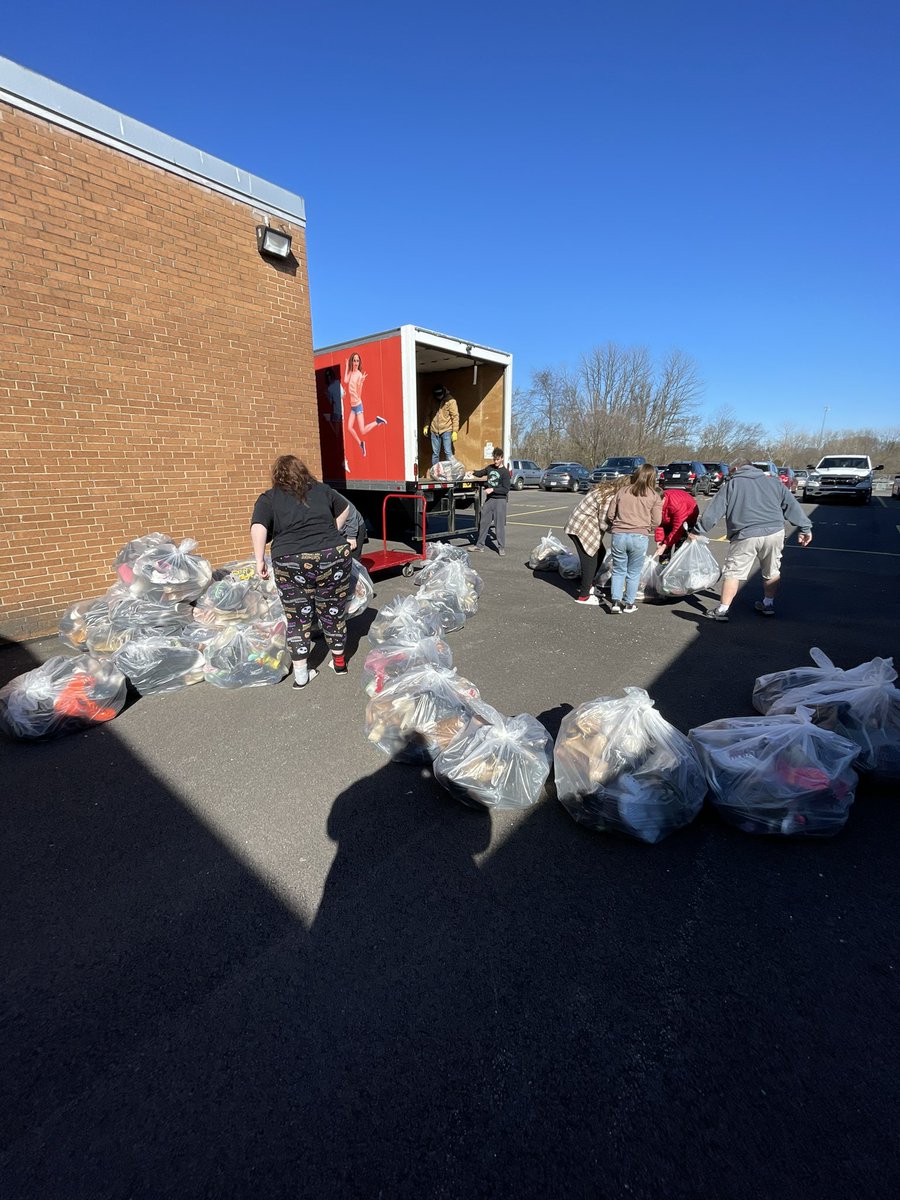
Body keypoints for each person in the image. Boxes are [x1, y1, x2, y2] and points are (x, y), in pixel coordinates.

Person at [251, 455, 353, 687]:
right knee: (333, 610)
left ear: (276, 476)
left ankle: (301, 676)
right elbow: (345, 508)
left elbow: (259, 526)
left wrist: (259, 560)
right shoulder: (322, 490)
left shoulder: (269, 498)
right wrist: (332, 531)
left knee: (297, 617)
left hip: (290, 560)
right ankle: (339, 664)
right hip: (332, 555)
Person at [688, 459, 813, 621]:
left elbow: (713, 513)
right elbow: (792, 506)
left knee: (733, 572)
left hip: (745, 534)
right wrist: (805, 528)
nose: (730, 475)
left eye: (731, 472)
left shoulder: (732, 485)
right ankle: (768, 604)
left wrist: (697, 531)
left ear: (736, 469)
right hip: (775, 532)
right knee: (772, 570)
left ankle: (722, 610)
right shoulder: (774, 483)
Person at [605, 464, 663, 614]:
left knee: (618, 570)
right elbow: (657, 520)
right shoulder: (654, 495)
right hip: (639, 536)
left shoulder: (623, 491)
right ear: (652, 477)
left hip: (619, 534)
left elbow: (610, 514)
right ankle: (629, 603)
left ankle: (616, 602)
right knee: (634, 572)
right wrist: (647, 527)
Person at [564, 479, 626, 604]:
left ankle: (589, 585)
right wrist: (620, 531)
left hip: (581, 525)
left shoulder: (606, 491)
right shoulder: (609, 496)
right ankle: (584, 596)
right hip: (582, 527)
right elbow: (604, 522)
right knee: (590, 558)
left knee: (600, 552)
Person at [469, 446, 511, 556]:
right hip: (490, 500)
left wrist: (492, 489)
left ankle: (501, 547)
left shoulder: (505, 472)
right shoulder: (490, 468)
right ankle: (479, 546)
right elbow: (481, 473)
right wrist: (472, 472)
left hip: (500, 501)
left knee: (499, 525)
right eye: (494, 459)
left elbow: (506, 489)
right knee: (483, 522)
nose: (496, 461)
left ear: (502, 458)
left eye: (498, 459)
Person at [344, 353, 387, 458]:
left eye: (357, 361)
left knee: (362, 430)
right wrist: (346, 367)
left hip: (358, 405)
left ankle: (377, 421)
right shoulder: (351, 373)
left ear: (359, 363)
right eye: (354, 360)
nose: (356, 363)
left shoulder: (359, 375)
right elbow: (345, 380)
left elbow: (359, 394)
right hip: (352, 406)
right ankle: (361, 444)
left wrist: (361, 382)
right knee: (349, 427)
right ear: (351, 362)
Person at [654, 488, 699, 560]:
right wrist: (659, 542)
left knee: (680, 548)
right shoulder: (654, 504)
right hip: (668, 520)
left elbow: (678, 528)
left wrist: (665, 545)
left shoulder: (676, 504)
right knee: (663, 550)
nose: (656, 507)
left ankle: (678, 564)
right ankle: (664, 565)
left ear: (664, 499)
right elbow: (658, 524)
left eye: (657, 504)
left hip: (686, 519)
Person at [423, 385, 459, 465]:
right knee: (435, 453)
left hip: (446, 429)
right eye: (437, 395)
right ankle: (435, 470)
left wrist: (455, 431)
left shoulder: (450, 400)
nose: (438, 397)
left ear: (443, 392)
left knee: (448, 452)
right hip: (434, 430)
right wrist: (426, 425)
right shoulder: (431, 399)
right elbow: (427, 414)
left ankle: (451, 470)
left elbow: (455, 416)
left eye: (440, 395)